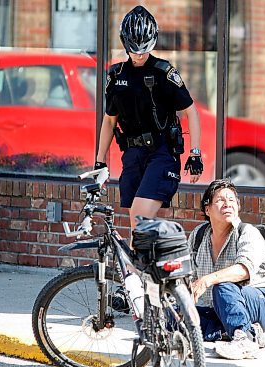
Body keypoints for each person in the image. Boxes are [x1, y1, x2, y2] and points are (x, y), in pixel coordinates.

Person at [94, 6, 203, 234]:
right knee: (138, 226)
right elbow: (109, 121)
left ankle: (162, 255)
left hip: (162, 153)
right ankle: (142, 269)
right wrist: (100, 162)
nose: (140, 55)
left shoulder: (164, 72)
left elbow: (191, 111)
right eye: (135, 50)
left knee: (139, 216)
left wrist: (195, 154)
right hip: (133, 156)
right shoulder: (117, 75)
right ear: (126, 44)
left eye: (145, 49)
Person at [188, 179, 265, 360]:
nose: (228, 204)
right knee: (174, 315)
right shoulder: (198, 236)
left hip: (263, 300)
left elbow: (244, 270)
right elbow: (188, 277)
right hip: (219, 307)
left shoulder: (247, 232)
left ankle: (245, 339)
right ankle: (247, 331)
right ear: (207, 210)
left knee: (223, 285)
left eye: (232, 200)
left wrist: (207, 279)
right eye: (221, 200)